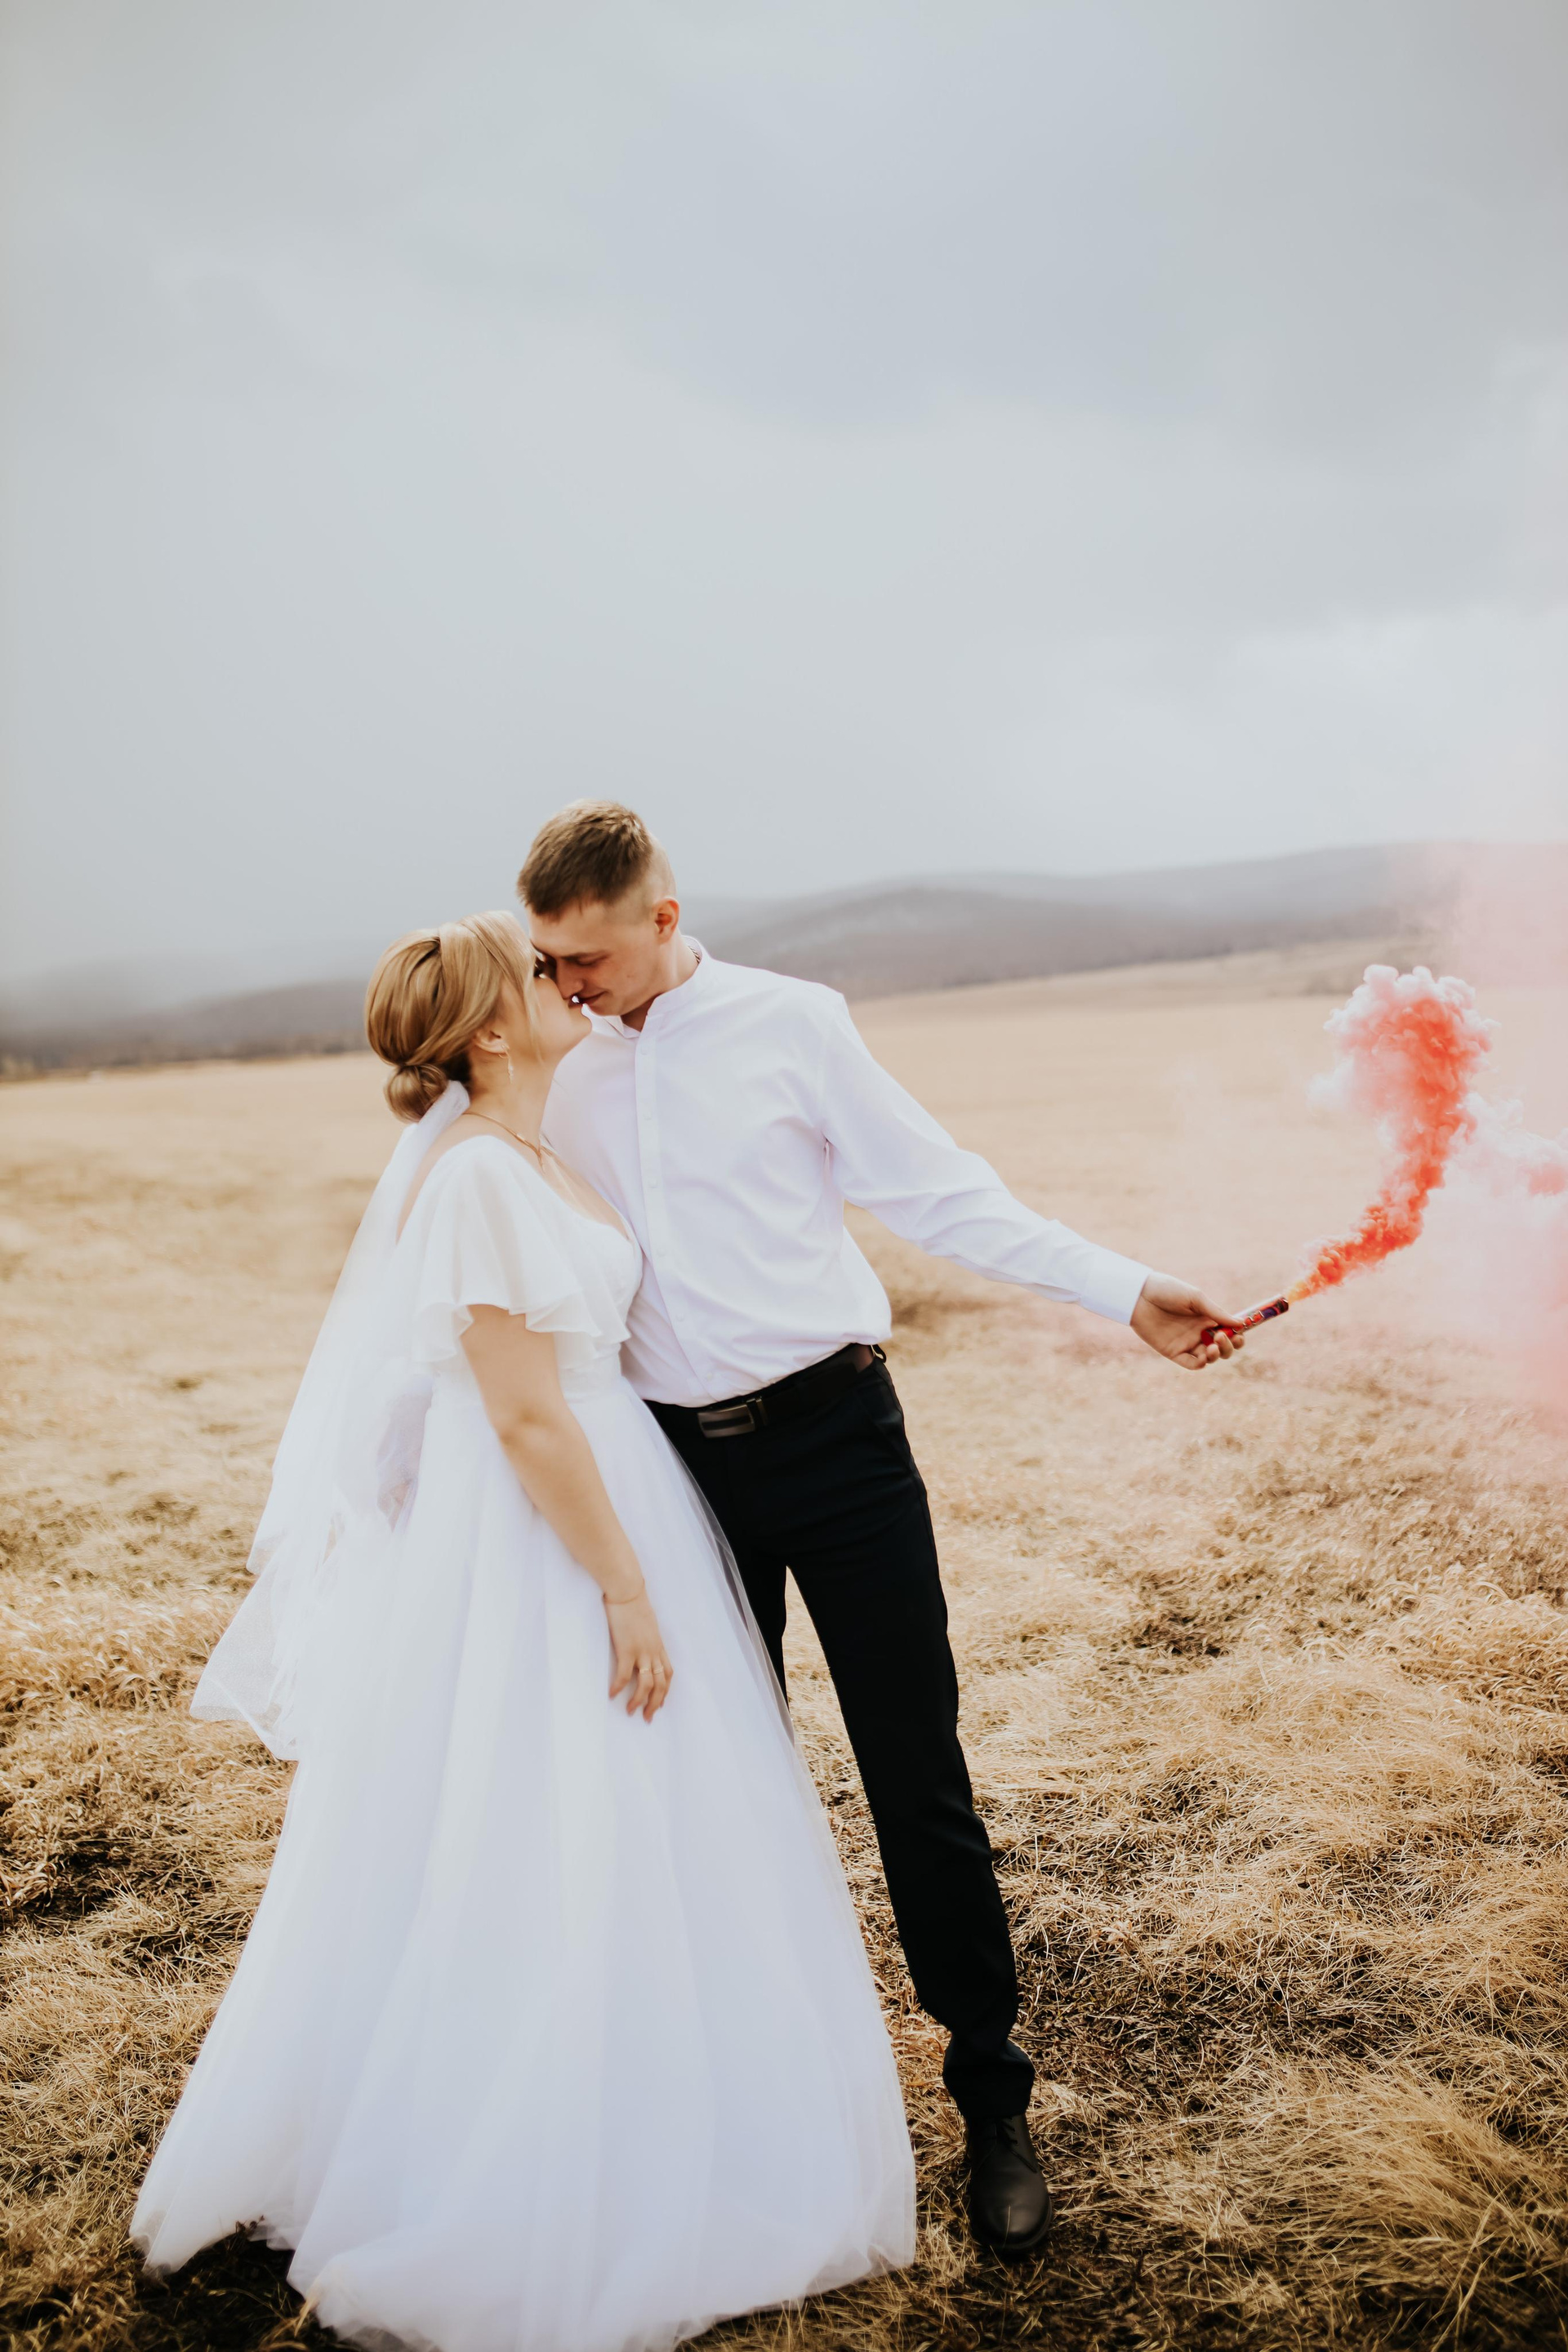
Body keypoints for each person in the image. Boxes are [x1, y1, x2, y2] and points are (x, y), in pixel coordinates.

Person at [131, 911, 915, 2352]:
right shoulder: (480, 1176)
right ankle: (526, 2156)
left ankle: (657, 2101)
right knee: (555, 1802)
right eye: (536, 975)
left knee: (645, 1809)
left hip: (617, 1495)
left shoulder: (535, 1149)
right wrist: (624, 1586)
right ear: (492, 1029)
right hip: (553, 1532)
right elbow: (523, 1413)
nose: (565, 985)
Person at [525, 803, 1245, 2256]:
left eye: (586, 958)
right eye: (548, 962)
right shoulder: (560, 1071)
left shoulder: (794, 1024)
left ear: (663, 917)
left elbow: (940, 1194)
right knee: (709, 1781)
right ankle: (736, 2104)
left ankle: (994, 2106)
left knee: (917, 1778)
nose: (566, 987)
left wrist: (1122, 1289)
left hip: (840, 1445)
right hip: (674, 1471)